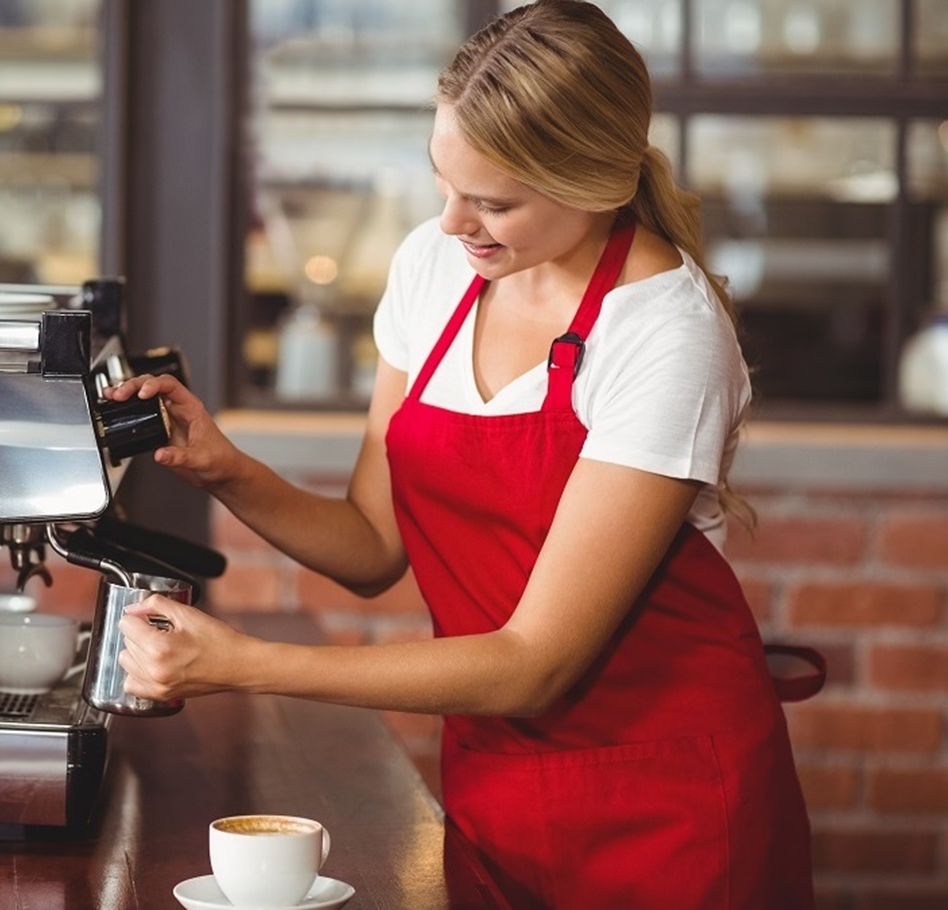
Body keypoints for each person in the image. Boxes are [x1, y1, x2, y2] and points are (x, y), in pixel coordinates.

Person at [101, 1, 814, 907]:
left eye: (493, 202)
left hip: (667, 800)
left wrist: (243, 665)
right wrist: (225, 468)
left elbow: (533, 662)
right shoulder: (437, 270)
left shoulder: (665, 334)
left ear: (593, 182)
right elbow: (371, 545)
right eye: (443, 182)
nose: (451, 223)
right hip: (492, 770)